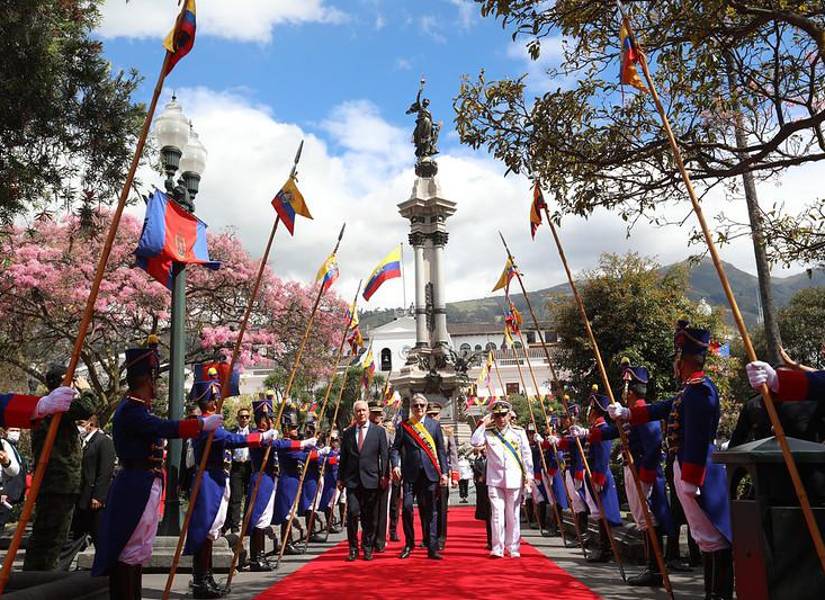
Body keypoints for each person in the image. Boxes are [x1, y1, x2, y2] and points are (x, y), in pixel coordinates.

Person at [609, 321, 733, 600]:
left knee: (714, 539)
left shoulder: (701, 390)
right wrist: (628, 414)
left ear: (684, 359)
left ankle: (719, 595)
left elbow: (699, 438)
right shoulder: (689, 389)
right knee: (705, 538)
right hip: (688, 470)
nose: (675, 364)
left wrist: (691, 477)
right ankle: (712, 593)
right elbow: (663, 408)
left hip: (699, 473)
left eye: (677, 357)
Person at [92, 343, 223, 600]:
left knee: (138, 551)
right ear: (145, 379)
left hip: (145, 482)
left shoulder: (139, 407)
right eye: (153, 377)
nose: (156, 384)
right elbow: (163, 427)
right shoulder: (131, 410)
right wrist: (199, 424)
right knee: (129, 551)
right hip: (134, 484)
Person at [184, 381, 277, 599]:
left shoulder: (213, 422)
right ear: (201, 401)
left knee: (212, 530)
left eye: (216, 398)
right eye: (211, 399)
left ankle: (206, 577)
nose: (216, 402)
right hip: (207, 479)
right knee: (205, 531)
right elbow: (232, 440)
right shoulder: (204, 423)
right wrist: (261, 437)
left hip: (217, 477)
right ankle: (200, 579)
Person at [584, 365, 672, 586]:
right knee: (643, 519)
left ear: (630, 391)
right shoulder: (633, 414)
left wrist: (646, 476)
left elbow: (653, 447)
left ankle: (655, 570)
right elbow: (613, 432)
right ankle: (651, 566)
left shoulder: (645, 412)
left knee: (649, 519)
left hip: (643, 472)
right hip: (633, 470)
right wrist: (587, 433)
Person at [25, 365, 105, 571]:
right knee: (51, 538)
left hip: (56, 482)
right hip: (58, 483)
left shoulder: (49, 406)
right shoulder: (55, 405)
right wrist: (86, 389)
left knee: (49, 536)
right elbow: (87, 408)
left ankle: (38, 575)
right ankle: (40, 579)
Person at [470, 399, 533, 559]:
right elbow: (475, 441)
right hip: (495, 479)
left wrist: (529, 476)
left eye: (503, 415)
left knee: (513, 514)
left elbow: (526, 455)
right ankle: (497, 547)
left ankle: (513, 547)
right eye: (497, 415)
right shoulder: (488, 432)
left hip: (514, 478)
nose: (500, 419)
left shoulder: (518, 432)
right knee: (497, 514)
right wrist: (484, 423)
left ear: (509, 415)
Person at [391, 394, 449, 560]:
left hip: (430, 474)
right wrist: (396, 465)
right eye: (416, 405)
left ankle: (432, 547)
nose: (419, 408)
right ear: (412, 408)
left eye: (422, 405)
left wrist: (444, 472)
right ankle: (409, 544)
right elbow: (395, 448)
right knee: (407, 508)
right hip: (410, 474)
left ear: (426, 407)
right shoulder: (404, 426)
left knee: (431, 511)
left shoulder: (434, 425)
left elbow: (441, 451)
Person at [337, 400, 389, 561]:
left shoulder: (379, 432)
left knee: (369, 517)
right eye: (358, 411)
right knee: (352, 513)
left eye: (364, 410)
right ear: (355, 413)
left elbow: (384, 456)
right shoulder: (348, 433)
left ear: (368, 412)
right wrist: (340, 478)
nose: (361, 413)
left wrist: (384, 475)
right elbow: (343, 458)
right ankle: (353, 548)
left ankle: (367, 547)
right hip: (352, 481)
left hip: (371, 480)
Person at [272, 410, 317, 555]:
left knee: (291, 511)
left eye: (296, 427)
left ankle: (288, 541)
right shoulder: (286, 444)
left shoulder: (293, 443)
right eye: (293, 428)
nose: (296, 430)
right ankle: (287, 542)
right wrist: (313, 449)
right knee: (287, 513)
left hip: (294, 479)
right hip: (287, 480)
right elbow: (301, 456)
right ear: (285, 429)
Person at [73, 415, 115, 547]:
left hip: (95, 498)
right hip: (82, 497)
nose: (79, 427)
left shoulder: (104, 442)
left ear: (90, 424)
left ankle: (105, 565)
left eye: (81, 423)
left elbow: (105, 470)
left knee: (99, 535)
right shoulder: (82, 442)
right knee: (77, 534)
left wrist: (98, 496)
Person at [426, 401, 458, 551]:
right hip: (425, 474)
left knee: (441, 508)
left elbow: (453, 454)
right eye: (430, 415)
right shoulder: (421, 431)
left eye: (435, 415)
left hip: (442, 474)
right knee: (426, 507)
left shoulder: (447, 432)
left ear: (439, 415)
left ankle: (441, 538)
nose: (433, 417)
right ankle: (428, 537)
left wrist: (455, 475)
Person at [368, 401, 392, 553]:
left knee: (382, 509)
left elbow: (390, 453)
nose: (377, 416)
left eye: (379, 413)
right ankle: (368, 538)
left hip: (382, 474)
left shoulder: (385, 432)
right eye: (374, 413)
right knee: (368, 509)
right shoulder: (359, 430)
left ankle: (380, 540)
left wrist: (388, 472)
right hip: (366, 474)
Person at [226, 405, 253, 534]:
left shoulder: (254, 433)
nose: (244, 419)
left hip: (250, 467)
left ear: (250, 419)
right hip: (236, 467)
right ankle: (234, 527)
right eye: (241, 417)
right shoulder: (232, 432)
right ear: (237, 418)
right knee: (235, 498)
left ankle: (249, 526)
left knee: (250, 496)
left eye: (246, 417)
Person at [472, 447, 492, 549]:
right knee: (490, 515)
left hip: (496, 484)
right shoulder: (478, 460)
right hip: (484, 488)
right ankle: (491, 541)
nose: (485, 450)